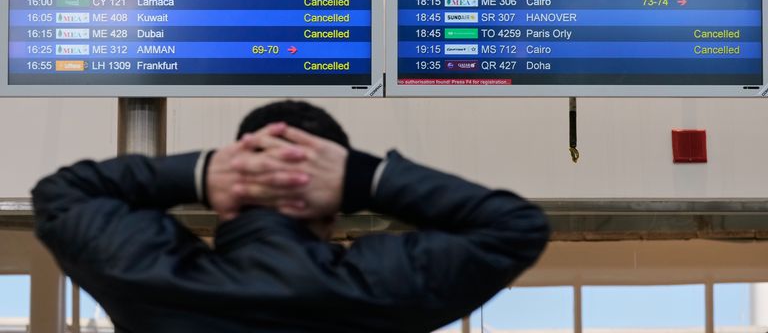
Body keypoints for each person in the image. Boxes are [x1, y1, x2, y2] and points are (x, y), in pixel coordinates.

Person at [32, 101, 550, 333]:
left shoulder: (149, 277)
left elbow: (61, 196)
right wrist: (365, 178)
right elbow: (514, 226)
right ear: (335, 205)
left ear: (226, 193)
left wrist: (200, 170)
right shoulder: (381, 289)